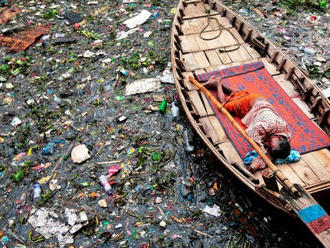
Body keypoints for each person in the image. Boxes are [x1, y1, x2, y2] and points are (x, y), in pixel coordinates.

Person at [203, 75, 293, 172]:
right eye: (269, 143)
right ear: (279, 138)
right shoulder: (271, 124)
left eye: (267, 145)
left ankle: (218, 83)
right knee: (225, 105)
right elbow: (251, 131)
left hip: (258, 101)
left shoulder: (285, 137)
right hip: (250, 104)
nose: (266, 143)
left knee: (235, 96)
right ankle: (218, 84)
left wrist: (256, 164)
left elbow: (269, 156)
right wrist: (261, 149)